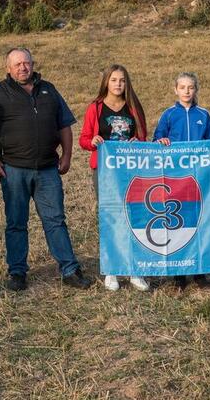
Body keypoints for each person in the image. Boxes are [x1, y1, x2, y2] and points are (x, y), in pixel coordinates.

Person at [0, 47, 91, 291]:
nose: (23, 68)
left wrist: (67, 155)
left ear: (33, 64)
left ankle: (70, 270)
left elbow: (64, 125)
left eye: (26, 63)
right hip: (13, 170)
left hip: (48, 169)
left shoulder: (49, 89)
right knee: (16, 222)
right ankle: (17, 272)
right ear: (8, 68)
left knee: (55, 220)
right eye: (17, 64)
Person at [79, 64, 150, 292]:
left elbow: (143, 137)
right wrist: (92, 142)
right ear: (106, 82)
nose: (118, 84)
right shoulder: (96, 107)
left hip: (130, 170)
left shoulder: (133, 106)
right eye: (114, 80)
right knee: (111, 217)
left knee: (132, 217)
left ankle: (134, 270)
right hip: (105, 171)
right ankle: (112, 270)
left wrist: (138, 142)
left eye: (122, 80)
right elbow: (84, 139)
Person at [153, 72, 210, 290]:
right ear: (175, 90)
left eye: (191, 87)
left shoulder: (204, 114)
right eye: (182, 87)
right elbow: (156, 140)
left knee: (199, 222)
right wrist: (161, 141)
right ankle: (179, 274)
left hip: (198, 178)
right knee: (177, 224)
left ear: (196, 90)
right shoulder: (168, 114)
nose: (186, 91)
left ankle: (199, 272)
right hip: (174, 178)